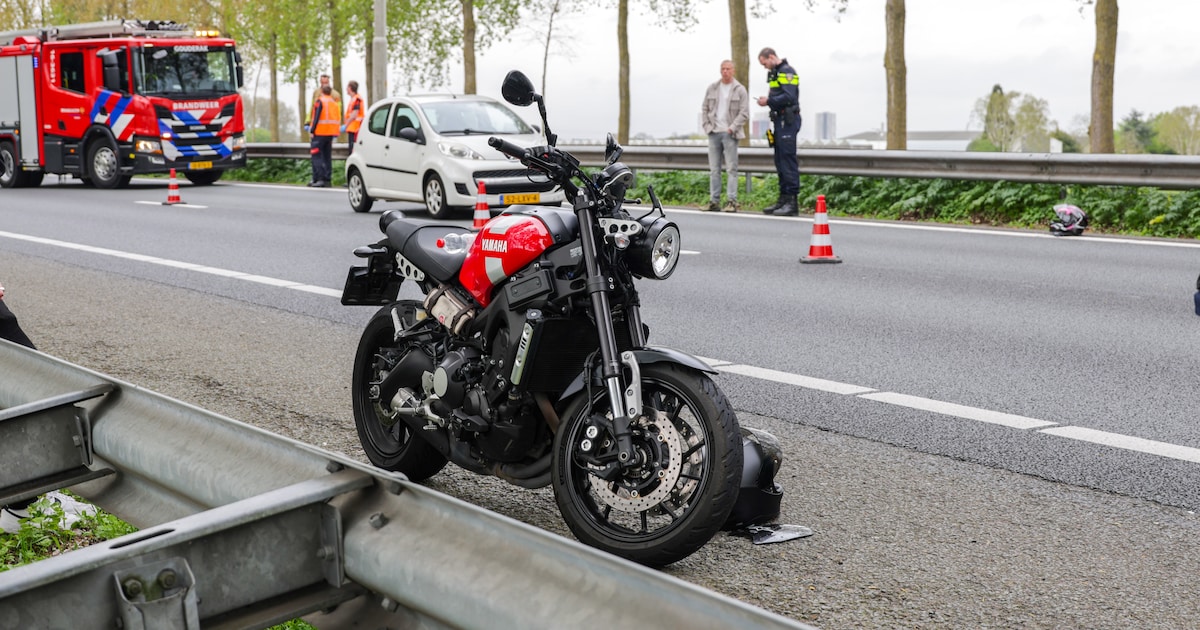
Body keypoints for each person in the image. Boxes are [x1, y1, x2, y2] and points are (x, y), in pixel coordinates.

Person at [755, 47, 802, 216]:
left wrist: (769, 100)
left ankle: (792, 202)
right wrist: (769, 101)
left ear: (772, 57)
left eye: (765, 63)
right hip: (779, 121)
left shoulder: (787, 71)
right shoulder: (776, 73)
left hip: (787, 121)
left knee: (788, 161)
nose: (765, 67)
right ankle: (783, 199)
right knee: (780, 161)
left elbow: (789, 97)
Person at [701, 60, 750, 213]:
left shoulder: (739, 89)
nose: (725, 71)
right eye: (723, 69)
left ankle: (731, 201)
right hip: (714, 132)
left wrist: (732, 128)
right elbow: (704, 108)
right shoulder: (712, 88)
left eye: (728, 69)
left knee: (731, 169)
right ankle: (714, 202)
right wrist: (707, 127)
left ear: (733, 71)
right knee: (714, 169)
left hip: (730, 133)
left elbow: (744, 113)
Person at [305, 85, 342, 188]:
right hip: (330, 134)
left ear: (321, 91)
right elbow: (337, 118)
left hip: (319, 133)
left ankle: (319, 178)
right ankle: (327, 179)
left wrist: (312, 130)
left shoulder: (320, 101)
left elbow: (316, 117)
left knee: (316, 156)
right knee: (327, 156)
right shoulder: (334, 103)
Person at [344, 80, 365, 152]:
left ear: (350, 88)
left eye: (347, 87)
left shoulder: (357, 99)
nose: (346, 89)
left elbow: (354, 114)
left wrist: (346, 125)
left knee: (352, 149)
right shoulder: (354, 99)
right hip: (353, 127)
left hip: (355, 127)